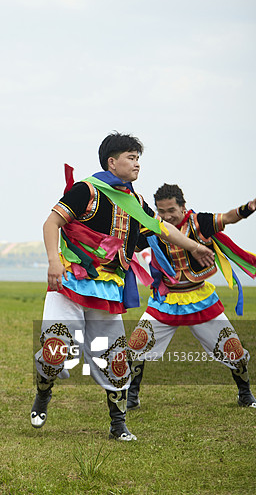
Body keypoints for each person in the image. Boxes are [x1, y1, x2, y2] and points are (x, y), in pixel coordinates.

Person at [31, 132, 215, 441]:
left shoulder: (136, 202)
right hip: (70, 283)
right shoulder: (86, 190)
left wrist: (194, 247)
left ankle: (118, 426)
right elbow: (51, 224)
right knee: (54, 351)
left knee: (116, 361)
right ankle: (43, 395)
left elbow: (163, 228)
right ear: (112, 162)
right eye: (131, 157)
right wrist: (53, 261)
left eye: (138, 158)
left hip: (107, 292)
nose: (137, 164)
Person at [126, 184, 256, 409]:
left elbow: (228, 217)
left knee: (233, 348)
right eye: (161, 211)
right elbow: (132, 244)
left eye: (171, 210)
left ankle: (245, 394)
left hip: (201, 300)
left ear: (182, 206)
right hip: (164, 301)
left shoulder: (200, 223)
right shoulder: (154, 228)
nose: (167, 216)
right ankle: (131, 397)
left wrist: (247, 208)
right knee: (136, 346)